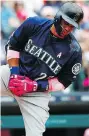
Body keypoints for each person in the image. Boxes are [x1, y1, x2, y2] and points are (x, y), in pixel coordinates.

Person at [0, 2, 84, 136]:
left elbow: (63, 82)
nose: (68, 28)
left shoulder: (74, 50)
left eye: (72, 26)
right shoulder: (34, 24)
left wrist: (33, 86)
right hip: (13, 73)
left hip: (37, 91)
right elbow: (13, 46)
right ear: (58, 17)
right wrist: (14, 74)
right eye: (66, 23)